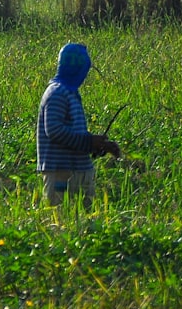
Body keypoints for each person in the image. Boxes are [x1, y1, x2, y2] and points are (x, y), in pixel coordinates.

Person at [36, 42, 121, 207]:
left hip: (79, 170)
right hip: (61, 172)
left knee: (86, 220)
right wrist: (89, 141)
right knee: (61, 218)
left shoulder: (71, 93)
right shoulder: (57, 93)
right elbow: (54, 130)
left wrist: (98, 146)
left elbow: (74, 135)